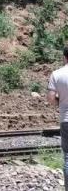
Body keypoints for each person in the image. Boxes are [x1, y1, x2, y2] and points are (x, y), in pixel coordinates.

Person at [47, 46, 68, 191]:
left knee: (67, 158)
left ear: (64, 56)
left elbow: (50, 99)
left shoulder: (57, 74)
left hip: (66, 119)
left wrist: (60, 102)